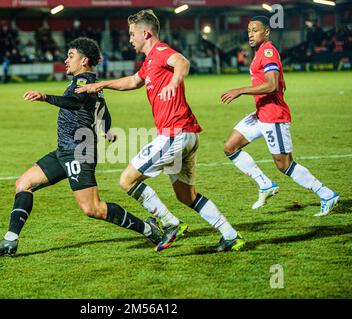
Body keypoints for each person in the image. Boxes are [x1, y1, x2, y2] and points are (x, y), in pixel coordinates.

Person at [76, 10, 245, 252]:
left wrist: (174, 83)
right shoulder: (149, 62)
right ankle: (230, 235)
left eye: (132, 34)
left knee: (127, 180)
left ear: (146, 33)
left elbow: (182, 62)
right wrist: (101, 84)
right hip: (187, 136)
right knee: (186, 197)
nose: (130, 39)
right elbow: (134, 81)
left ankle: (170, 223)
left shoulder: (161, 52)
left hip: (174, 135)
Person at [0, 37, 163, 256]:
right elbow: (102, 109)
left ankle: (148, 229)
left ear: (84, 60)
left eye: (70, 56)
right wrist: (106, 128)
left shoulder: (82, 82)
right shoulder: (89, 83)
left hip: (80, 151)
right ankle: (10, 240)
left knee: (93, 208)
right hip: (65, 150)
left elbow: (75, 102)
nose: (66, 60)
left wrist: (45, 97)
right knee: (24, 183)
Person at [220, 16, 339, 217]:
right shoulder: (259, 53)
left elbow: (272, 84)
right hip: (261, 114)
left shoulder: (267, 51)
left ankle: (326, 194)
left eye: (255, 30)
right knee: (230, 147)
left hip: (273, 116)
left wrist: (241, 90)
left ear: (266, 32)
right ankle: (265, 185)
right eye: (249, 30)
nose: (250, 33)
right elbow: (277, 83)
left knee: (284, 165)